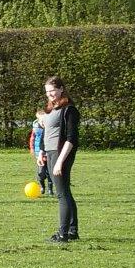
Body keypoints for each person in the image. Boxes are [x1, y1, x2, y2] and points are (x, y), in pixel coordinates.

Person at [43, 76, 81, 242]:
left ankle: (62, 234)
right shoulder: (53, 109)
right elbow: (48, 133)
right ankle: (72, 231)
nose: (50, 94)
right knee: (65, 192)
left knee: (61, 194)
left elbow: (71, 138)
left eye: (52, 90)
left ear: (61, 89)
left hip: (61, 154)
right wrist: (42, 153)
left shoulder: (69, 110)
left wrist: (59, 161)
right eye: (47, 92)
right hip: (51, 153)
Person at [29, 109, 53, 196]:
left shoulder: (51, 129)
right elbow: (32, 139)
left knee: (50, 172)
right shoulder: (36, 129)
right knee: (41, 172)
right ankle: (42, 187)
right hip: (39, 154)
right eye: (40, 120)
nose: (42, 122)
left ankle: (50, 189)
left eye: (43, 120)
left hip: (50, 153)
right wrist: (32, 148)